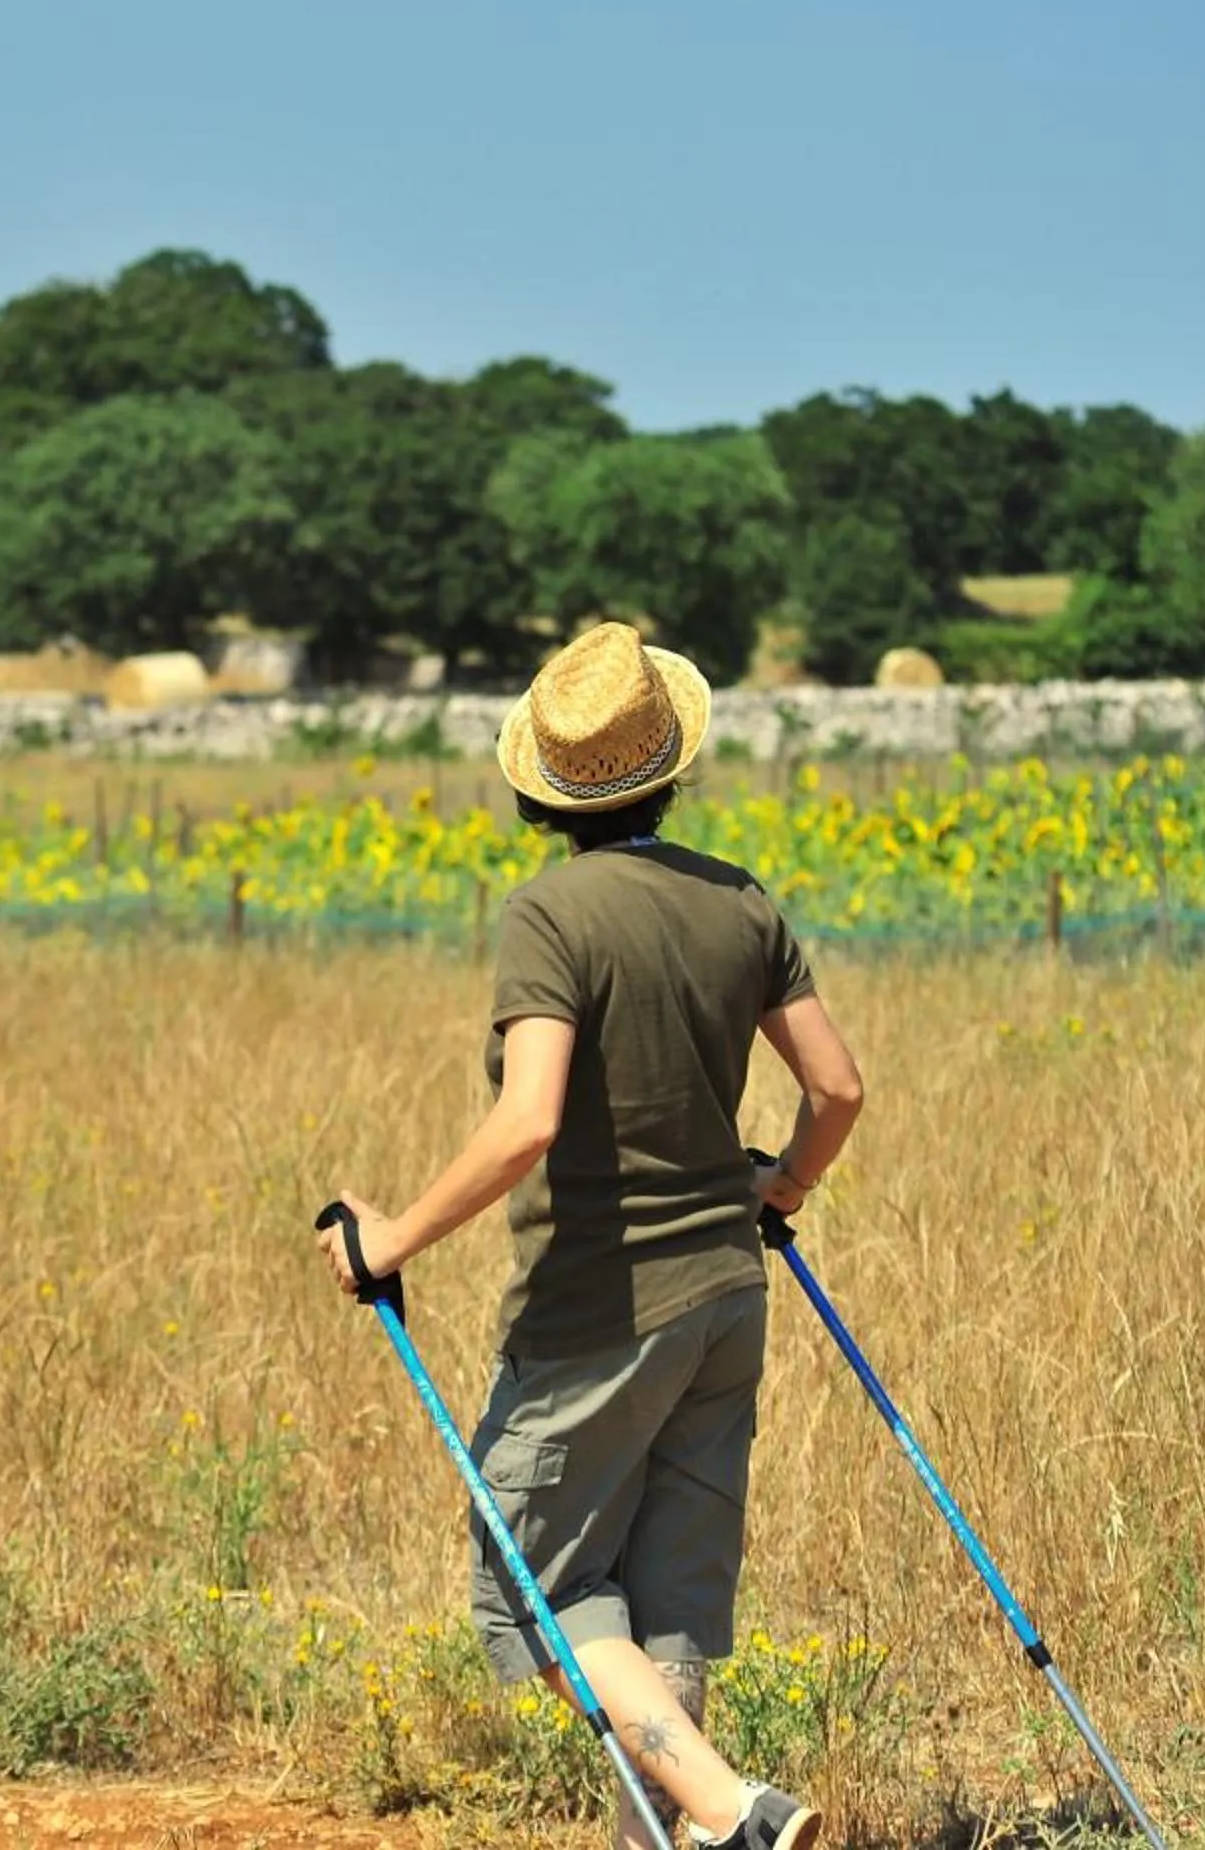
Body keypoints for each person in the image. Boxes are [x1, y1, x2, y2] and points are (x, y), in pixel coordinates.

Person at [316, 622, 864, 1850]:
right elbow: (838, 1092)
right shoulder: (741, 900)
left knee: (533, 1591)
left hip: (595, 1314)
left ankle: (731, 1812)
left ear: (541, 790)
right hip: (726, 1294)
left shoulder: (549, 915)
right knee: (661, 1608)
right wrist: (780, 1186)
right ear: (672, 765)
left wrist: (390, 1237)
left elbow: (529, 1121)